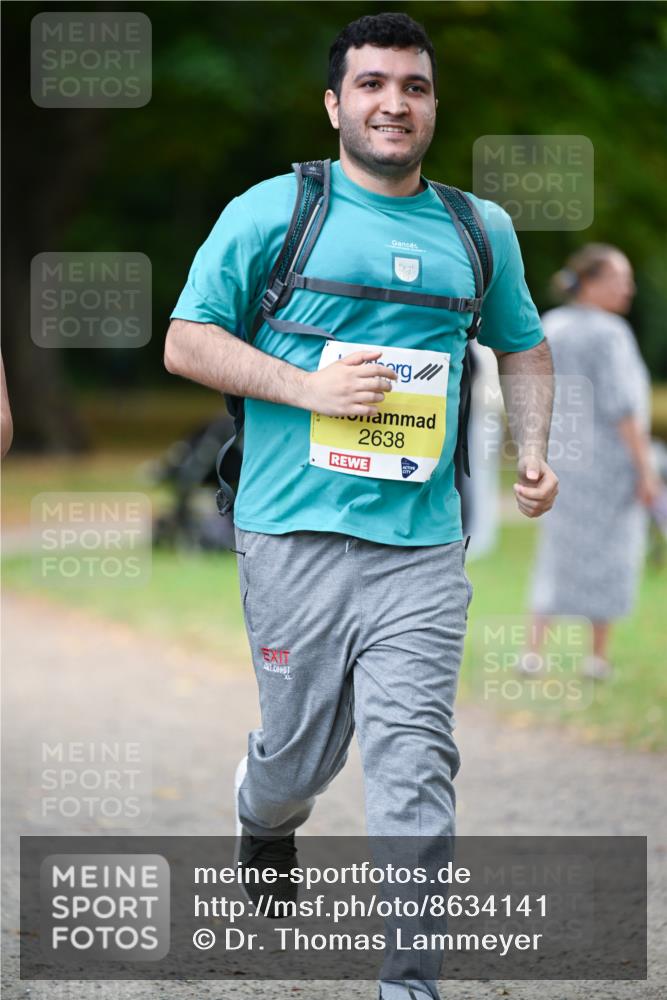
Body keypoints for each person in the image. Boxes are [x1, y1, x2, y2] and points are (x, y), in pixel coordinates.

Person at [165, 13, 557, 999]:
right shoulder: (273, 211)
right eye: (374, 84)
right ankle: (266, 816)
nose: (396, 102)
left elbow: (525, 345)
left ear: (432, 105)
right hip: (289, 533)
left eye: (415, 87)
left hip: (421, 545)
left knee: (414, 755)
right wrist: (307, 390)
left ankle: (409, 979)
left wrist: (540, 451)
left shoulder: (481, 230)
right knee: (298, 755)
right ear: (337, 103)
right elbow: (186, 340)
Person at [525, 244, 658, 681]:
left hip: (564, 458)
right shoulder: (610, 333)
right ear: (595, 282)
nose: (629, 289)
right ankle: (597, 657)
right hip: (609, 465)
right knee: (612, 555)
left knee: (557, 554)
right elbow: (625, 409)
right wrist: (646, 471)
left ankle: (533, 652)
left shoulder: (553, 324)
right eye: (621, 279)